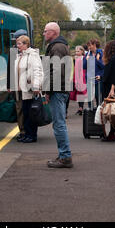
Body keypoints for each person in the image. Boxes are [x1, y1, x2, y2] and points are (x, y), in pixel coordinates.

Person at [43, 22, 73, 168]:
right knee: (59, 124)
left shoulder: (57, 47)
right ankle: (63, 154)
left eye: (45, 31)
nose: (43, 34)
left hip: (58, 90)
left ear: (53, 32)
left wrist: (48, 91)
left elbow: (55, 71)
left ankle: (65, 157)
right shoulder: (59, 46)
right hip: (60, 89)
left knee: (59, 124)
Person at [14, 35, 44, 143]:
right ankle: (26, 134)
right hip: (21, 90)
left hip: (30, 89)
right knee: (25, 113)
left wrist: (36, 86)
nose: (17, 46)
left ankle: (32, 135)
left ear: (26, 44)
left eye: (19, 44)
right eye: (17, 44)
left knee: (30, 113)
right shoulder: (20, 56)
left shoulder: (32, 55)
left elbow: (37, 71)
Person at [7, 29, 28, 141]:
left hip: (27, 86)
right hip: (17, 86)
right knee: (19, 108)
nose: (16, 43)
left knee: (28, 109)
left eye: (18, 40)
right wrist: (9, 85)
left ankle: (29, 130)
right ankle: (22, 131)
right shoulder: (13, 51)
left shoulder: (32, 51)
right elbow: (10, 68)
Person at [83, 38, 104, 108]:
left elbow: (103, 66)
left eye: (90, 45)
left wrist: (97, 60)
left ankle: (99, 112)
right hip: (89, 79)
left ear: (94, 45)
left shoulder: (101, 54)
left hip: (98, 79)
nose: (88, 47)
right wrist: (86, 60)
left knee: (98, 97)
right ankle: (90, 113)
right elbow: (84, 66)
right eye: (88, 46)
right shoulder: (88, 54)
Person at [69, 45, 87, 115]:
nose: (76, 52)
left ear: (82, 51)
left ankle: (81, 107)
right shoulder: (74, 58)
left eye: (78, 51)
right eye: (76, 51)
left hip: (81, 76)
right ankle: (80, 107)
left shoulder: (84, 58)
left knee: (81, 92)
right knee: (77, 92)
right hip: (75, 76)